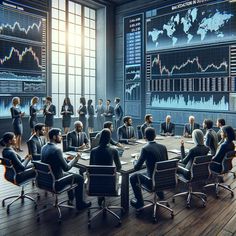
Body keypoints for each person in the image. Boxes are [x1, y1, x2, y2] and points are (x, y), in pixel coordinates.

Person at [41, 128, 91, 210]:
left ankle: (71, 199)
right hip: (57, 182)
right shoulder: (57, 150)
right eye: (59, 135)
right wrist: (76, 158)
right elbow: (66, 168)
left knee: (71, 175)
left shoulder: (44, 147)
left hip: (47, 179)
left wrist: (64, 159)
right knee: (80, 178)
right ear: (54, 137)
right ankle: (80, 204)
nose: (61, 137)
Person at [130, 127, 168, 209]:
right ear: (155, 136)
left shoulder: (145, 148)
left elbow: (137, 167)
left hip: (151, 182)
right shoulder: (163, 147)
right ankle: (160, 193)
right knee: (151, 171)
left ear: (145, 137)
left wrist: (135, 160)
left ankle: (139, 202)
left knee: (132, 177)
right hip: (164, 180)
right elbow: (166, 163)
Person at [90, 128, 122, 206]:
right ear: (109, 138)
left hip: (95, 183)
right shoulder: (114, 151)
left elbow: (91, 167)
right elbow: (119, 167)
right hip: (110, 182)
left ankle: (100, 197)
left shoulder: (93, 151)